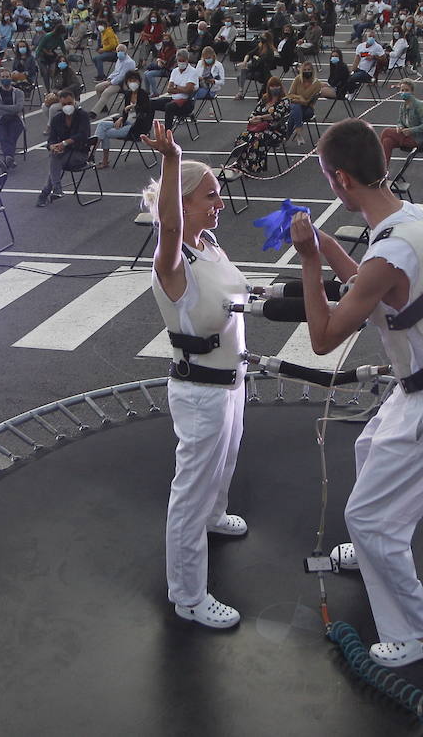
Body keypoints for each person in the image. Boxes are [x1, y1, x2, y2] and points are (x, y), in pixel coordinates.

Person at [286, 118, 423, 667]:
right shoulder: (416, 219)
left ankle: (422, 634)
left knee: (370, 519)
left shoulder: (385, 253)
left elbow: (325, 338)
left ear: (342, 181)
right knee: (367, 449)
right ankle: (374, 553)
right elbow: (378, 288)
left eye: (329, 175)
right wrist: (328, 247)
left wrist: (308, 259)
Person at [139, 122, 250, 630]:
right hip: (200, 389)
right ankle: (187, 595)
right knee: (190, 491)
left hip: (231, 381)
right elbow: (169, 229)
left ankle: (215, 515)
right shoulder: (173, 258)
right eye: (211, 196)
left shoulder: (209, 245)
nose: (220, 204)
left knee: (224, 464)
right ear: (182, 204)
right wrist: (171, 159)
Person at [36, 89, 92, 207]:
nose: (67, 106)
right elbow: (51, 139)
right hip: (63, 153)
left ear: (74, 102)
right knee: (55, 156)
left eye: (69, 103)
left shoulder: (83, 116)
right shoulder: (57, 119)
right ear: (60, 105)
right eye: (64, 104)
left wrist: (64, 143)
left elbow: (83, 135)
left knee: (55, 160)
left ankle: (47, 192)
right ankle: (55, 189)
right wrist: (52, 146)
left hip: (80, 153)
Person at [225, 77, 290, 174]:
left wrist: (261, 118)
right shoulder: (265, 98)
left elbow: (277, 115)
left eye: (277, 86)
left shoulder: (284, 101)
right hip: (258, 128)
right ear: (268, 87)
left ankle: (253, 166)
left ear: (281, 87)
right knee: (243, 137)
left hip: (275, 131)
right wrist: (252, 119)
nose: (275, 88)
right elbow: (255, 112)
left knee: (255, 138)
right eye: (272, 86)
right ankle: (240, 162)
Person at [93, 72, 153, 169]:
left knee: (105, 133)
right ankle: (93, 151)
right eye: (130, 81)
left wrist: (133, 107)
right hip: (127, 122)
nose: (132, 83)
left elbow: (145, 110)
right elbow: (125, 111)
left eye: (135, 80)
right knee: (102, 125)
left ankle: (103, 160)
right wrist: (121, 118)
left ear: (139, 81)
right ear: (127, 82)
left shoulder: (143, 95)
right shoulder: (128, 94)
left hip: (137, 127)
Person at [378, 80, 423, 167]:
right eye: (402, 90)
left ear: (412, 92)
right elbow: (400, 121)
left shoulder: (418, 105)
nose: (404, 93)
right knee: (387, 142)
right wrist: (399, 127)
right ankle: (383, 171)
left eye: (406, 90)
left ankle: (376, 159)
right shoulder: (403, 105)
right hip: (406, 136)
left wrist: (411, 130)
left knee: (386, 131)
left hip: (418, 139)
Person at [0, 69, 28, 171]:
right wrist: (11, 109)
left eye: (7, 77)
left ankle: (6, 161)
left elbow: (18, 108)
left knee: (11, 136)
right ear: (0, 79)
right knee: (2, 136)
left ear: (11, 78)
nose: (5, 79)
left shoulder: (18, 92)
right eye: (3, 77)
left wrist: (1, 107)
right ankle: (9, 159)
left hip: (15, 119)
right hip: (0, 120)